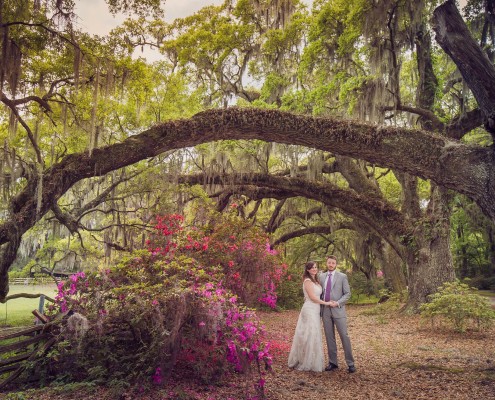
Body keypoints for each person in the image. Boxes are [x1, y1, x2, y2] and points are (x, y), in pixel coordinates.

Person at [288, 261, 332, 372]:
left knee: (314, 333)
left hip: (316, 310)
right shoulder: (307, 281)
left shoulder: (316, 281)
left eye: (316, 267)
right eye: (312, 268)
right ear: (307, 270)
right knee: (309, 333)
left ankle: (312, 360)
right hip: (309, 309)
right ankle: (305, 361)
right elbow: (312, 297)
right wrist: (326, 303)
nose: (314, 269)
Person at [319, 255, 356, 373]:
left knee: (344, 336)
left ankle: (350, 363)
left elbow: (347, 294)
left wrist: (338, 303)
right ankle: (333, 362)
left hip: (338, 310)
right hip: (325, 310)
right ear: (327, 263)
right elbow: (319, 294)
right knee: (329, 338)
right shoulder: (321, 277)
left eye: (333, 263)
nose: (330, 265)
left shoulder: (342, 277)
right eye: (329, 262)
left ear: (336, 264)